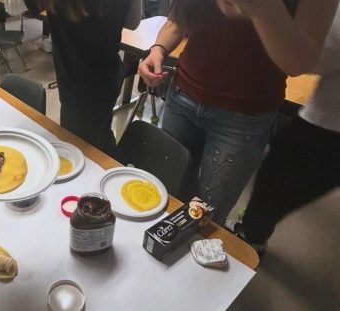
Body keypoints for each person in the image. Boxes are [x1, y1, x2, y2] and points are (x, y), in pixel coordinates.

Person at [138, 0, 338, 225]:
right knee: (165, 196)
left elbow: (298, 63)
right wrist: (158, 49)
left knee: (206, 217)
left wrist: (263, 8)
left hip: (244, 115)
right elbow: (179, 18)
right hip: (183, 93)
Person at [227, 3, 339, 255]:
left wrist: (263, 13)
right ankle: (252, 231)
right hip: (324, 115)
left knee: (275, 180)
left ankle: (251, 237)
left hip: (328, 124)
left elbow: (305, 59)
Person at [25, 0, 143, 157]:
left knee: (79, 148)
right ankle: (111, 167)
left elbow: (18, 7)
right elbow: (132, 22)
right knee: (99, 136)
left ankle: (109, 168)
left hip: (79, 81)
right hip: (102, 77)